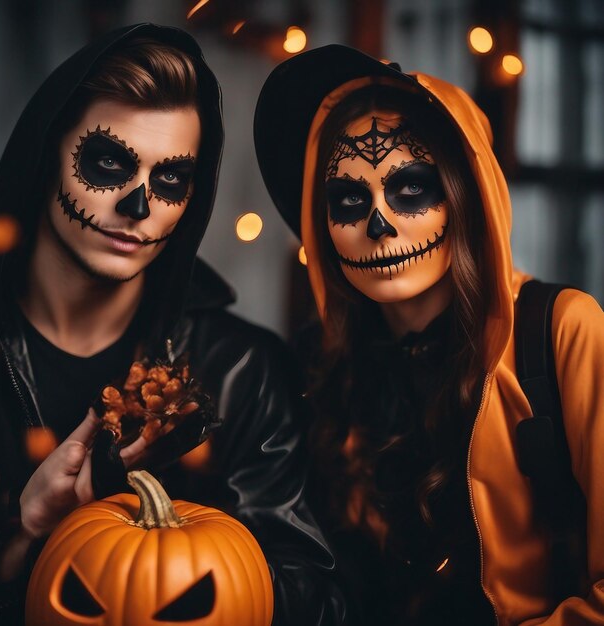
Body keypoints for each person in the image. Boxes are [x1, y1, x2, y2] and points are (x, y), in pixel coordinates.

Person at [0, 24, 345, 626]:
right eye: (108, 162)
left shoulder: (241, 372)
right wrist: (22, 537)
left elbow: (319, 603)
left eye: (170, 179)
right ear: (47, 154)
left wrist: (184, 559)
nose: (139, 205)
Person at [254, 44, 604, 626]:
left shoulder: (565, 331)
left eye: (411, 187)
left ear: (466, 197)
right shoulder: (319, 362)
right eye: (347, 198)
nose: (379, 223)